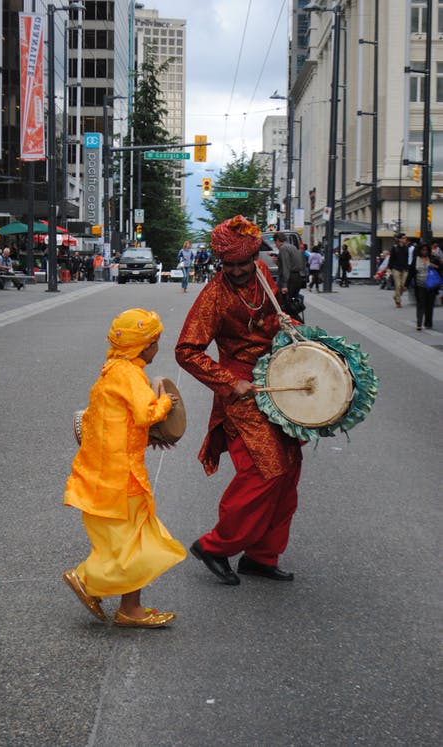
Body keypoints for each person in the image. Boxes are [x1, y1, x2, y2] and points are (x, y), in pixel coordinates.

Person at [175, 215, 302, 586]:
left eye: (242, 264)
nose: (237, 271)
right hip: (242, 388)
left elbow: (271, 315)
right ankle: (215, 545)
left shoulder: (262, 271)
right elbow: (186, 350)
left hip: (276, 378)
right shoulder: (214, 295)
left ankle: (261, 556)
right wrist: (229, 382)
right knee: (264, 470)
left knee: (289, 467)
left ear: (254, 257)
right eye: (228, 266)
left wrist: (287, 324)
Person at [63, 308, 186, 627]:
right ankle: (86, 578)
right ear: (146, 346)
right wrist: (168, 403)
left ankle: (130, 609)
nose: (157, 347)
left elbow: (118, 424)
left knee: (132, 541)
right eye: (156, 341)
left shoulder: (112, 370)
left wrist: (146, 438)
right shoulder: (131, 374)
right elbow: (146, 415)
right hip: (121, 479)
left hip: (103, 474)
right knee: (135, 542)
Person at [407, 242, 442, 330]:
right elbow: (411, 272)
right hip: (420, 285)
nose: (425, 251)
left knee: (429, 305)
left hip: (431, 286)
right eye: (423, 250)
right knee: (420, 304)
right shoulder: (416, 259)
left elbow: (441, 268)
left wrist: (435, 266)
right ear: (419, 250)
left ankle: (428, 322)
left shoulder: (433, 258)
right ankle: (419, 323)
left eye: (426, 250)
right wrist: (406, 284)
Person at [273, 231, 307, 302]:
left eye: (275, 243)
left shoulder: (283, 248)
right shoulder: (293, 247)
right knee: (291, 300)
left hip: (290, 279)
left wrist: (284, 285)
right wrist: (277, 262)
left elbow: (286, 267)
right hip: (297, 277)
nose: (276, 245)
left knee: (285, 301)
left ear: (278, 240)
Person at [388, 232, 409, 307]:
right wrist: (389, 268)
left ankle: (396, 296)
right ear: (400, 239)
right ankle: (398, 302)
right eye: (404, 238)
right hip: (396, 268)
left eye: (406, 238)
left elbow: (408, 259)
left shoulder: (407, 247)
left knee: (403, 286)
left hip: (405, 268)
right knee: (398, 285)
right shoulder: (394, 247)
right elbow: (391, 258)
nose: (405, 239)